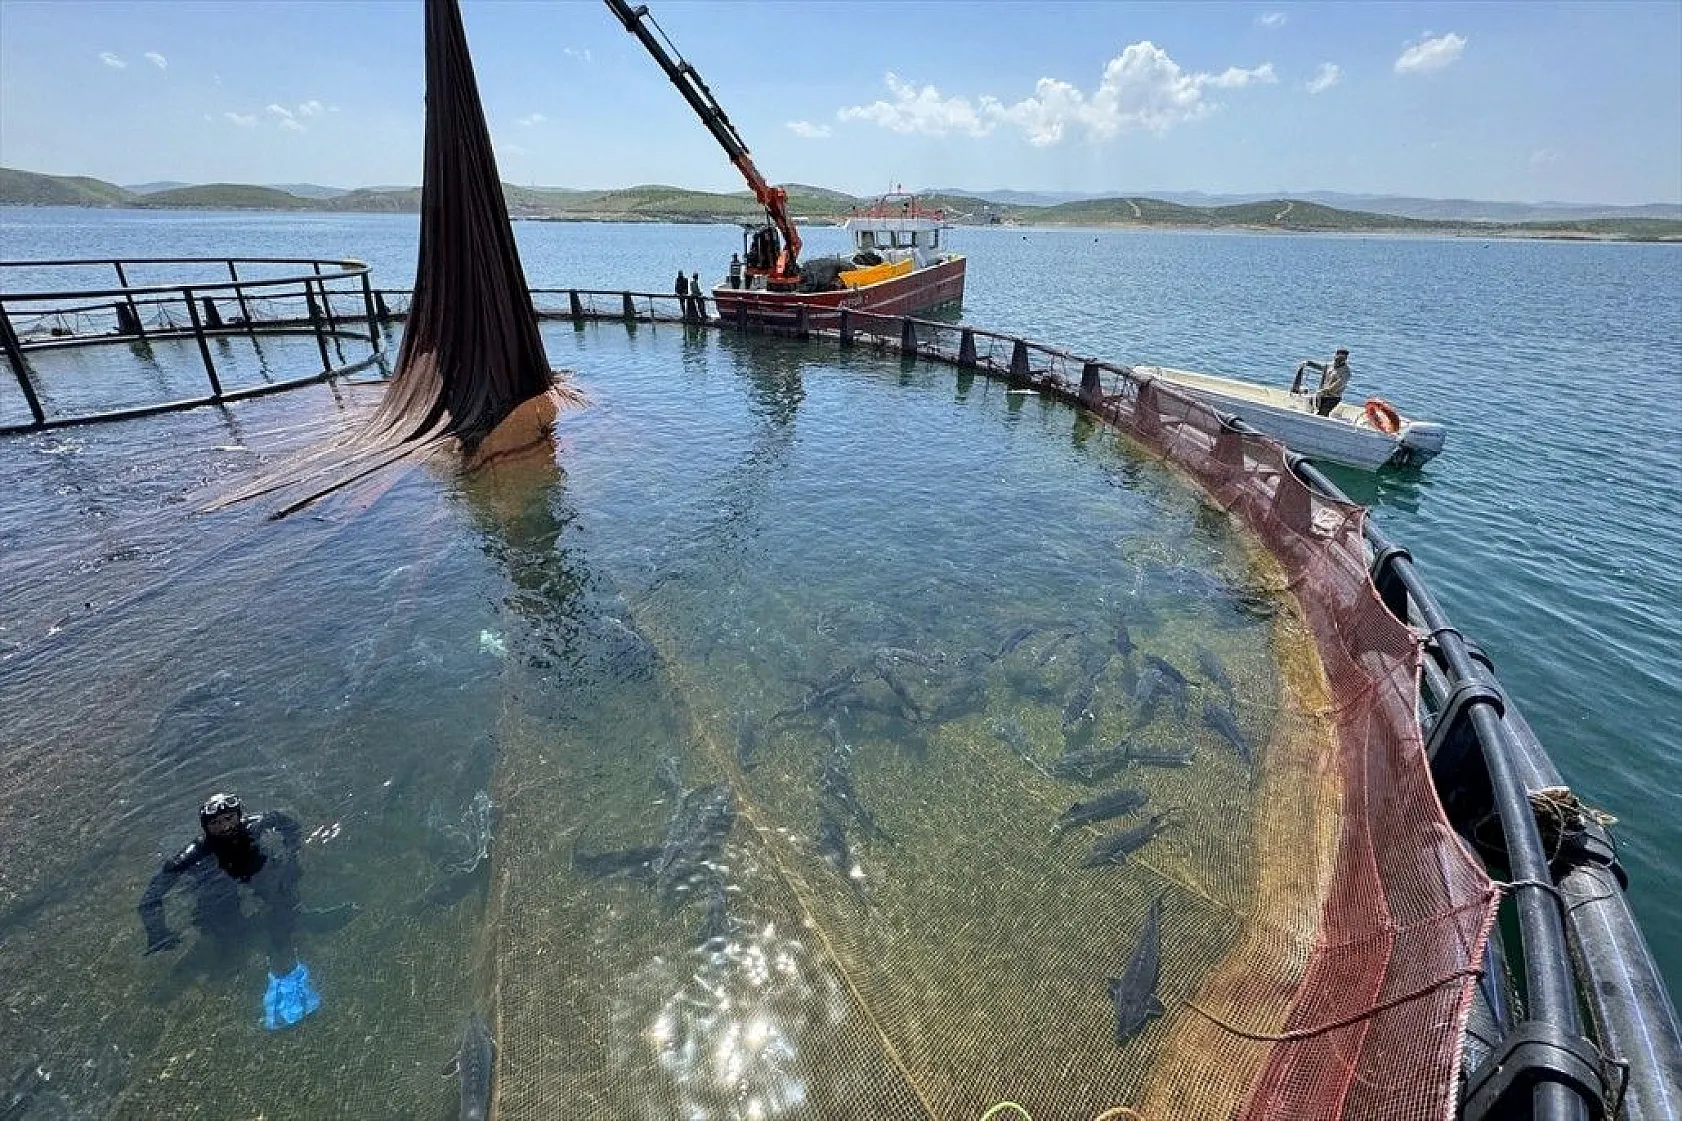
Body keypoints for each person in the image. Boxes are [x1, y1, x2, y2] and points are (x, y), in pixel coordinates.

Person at [139, 793, 321, 1029]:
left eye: (229, 819)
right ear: (206, 828)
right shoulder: (194, 853)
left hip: (254, 869)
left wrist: (293, 853)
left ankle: (288, 939)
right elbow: (151, 896)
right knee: (227, 930)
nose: (225, 827)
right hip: (216, 882)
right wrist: (158, 932)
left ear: (239, 816)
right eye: (216, 823)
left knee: (285, 898)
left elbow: (286, 823)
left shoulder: (254, 825)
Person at [1295, 346, 1352, 416]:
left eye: (1342, 358)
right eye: (1337, 356)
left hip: (1332, 398)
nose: (1338, 359)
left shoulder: (1346, 372)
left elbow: (1337, 385)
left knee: (1322, 414)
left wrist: (1324, 391)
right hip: (1322, 395)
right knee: (1309, 404)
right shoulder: (1330, 365)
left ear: (1345, 359)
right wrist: (1308, 363)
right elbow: (1320, 366)